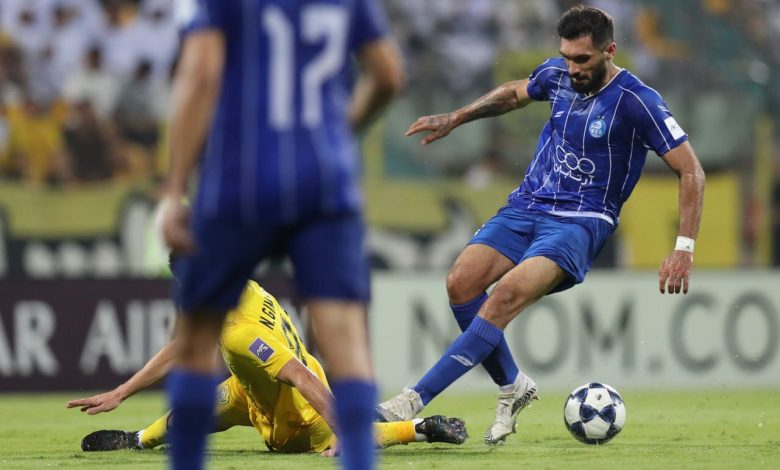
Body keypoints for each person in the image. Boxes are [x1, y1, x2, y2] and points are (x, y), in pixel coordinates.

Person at [377, 5, 705, 446]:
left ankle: (410, 401)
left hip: (581, 221)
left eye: (582, 59)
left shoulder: (637, 101)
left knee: (503, 297)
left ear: (609, 51)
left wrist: (683, 247)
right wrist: (457, 116)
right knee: (461, 283)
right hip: (527, 205)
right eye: (567, 57)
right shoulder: (558, 74)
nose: (572, 68)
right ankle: (513, 385)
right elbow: (513, 94)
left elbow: (691, 170)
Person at [160, 1, 403, 469]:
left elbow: (200, 74)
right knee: (347, 344)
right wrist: (340, 133)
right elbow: (388, 75)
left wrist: (174, 189)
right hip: (324, 183)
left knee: (195, 340)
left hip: (238, 180)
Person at [67, 280, 467, 453]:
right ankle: (136, 440)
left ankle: (418, 428)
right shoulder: (242, 287)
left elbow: (300, 377)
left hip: (296, 412)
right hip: (251, 391)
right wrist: (121, 392)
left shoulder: (238, 332)